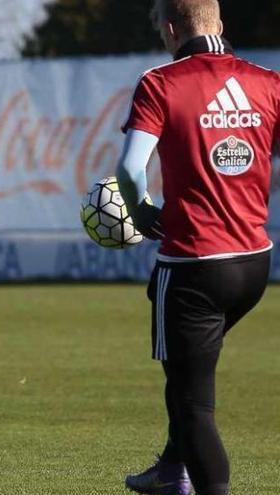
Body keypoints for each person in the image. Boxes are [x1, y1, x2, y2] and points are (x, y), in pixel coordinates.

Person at [116, 1, 280, 494]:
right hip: (254, 262)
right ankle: (170, 471)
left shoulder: (160, 82)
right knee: (187, 375)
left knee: (193, 403)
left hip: (194, 267)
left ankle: (194, 482)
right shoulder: (268, 81)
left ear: (170, 29)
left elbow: (129, 170)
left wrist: (142, 212)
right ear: (220, 25)